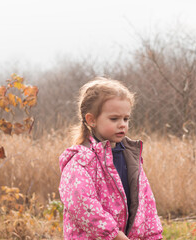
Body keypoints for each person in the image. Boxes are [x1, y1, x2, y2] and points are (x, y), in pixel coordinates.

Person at [59, 77, 163, 240]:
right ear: (91, 120)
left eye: (126, 119)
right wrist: (115, 235)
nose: (122, 124)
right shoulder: (81, 161)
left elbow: (146, 203)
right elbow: (82, 205)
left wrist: (153, 235)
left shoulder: (130, 157)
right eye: (114, 119)